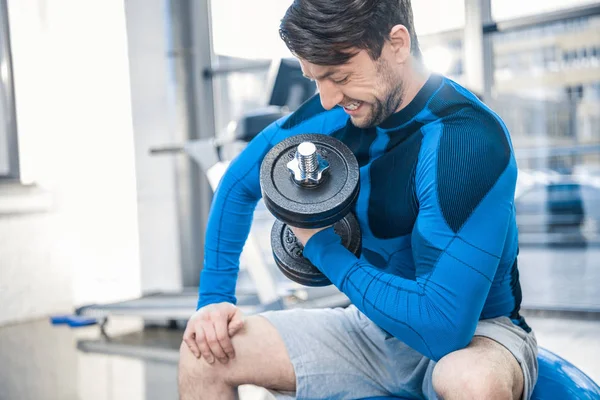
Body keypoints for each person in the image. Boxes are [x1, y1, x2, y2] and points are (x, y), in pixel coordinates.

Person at [178, 0, 539, 399]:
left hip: (478, 334)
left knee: (469, 381)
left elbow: (443, 328)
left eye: (339, 75)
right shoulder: (336, 114)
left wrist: (319, 245)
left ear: (397, 44)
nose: (328, 98)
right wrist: (213, 299)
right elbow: (237, 183)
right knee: (203, 355)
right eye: (316, 79)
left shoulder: (466, 139)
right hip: (371, 328)